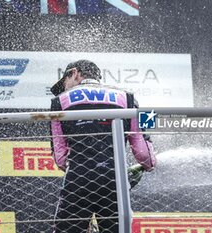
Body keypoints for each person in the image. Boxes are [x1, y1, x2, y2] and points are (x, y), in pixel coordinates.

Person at [50, 60, 156, 233]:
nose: (65, 87)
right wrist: (144, 166)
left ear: (75, 73)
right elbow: (145, 155)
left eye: (65, 82)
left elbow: (60, 158)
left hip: (78, 180)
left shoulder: (59, 101)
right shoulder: (128, 97)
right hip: (115, 181)